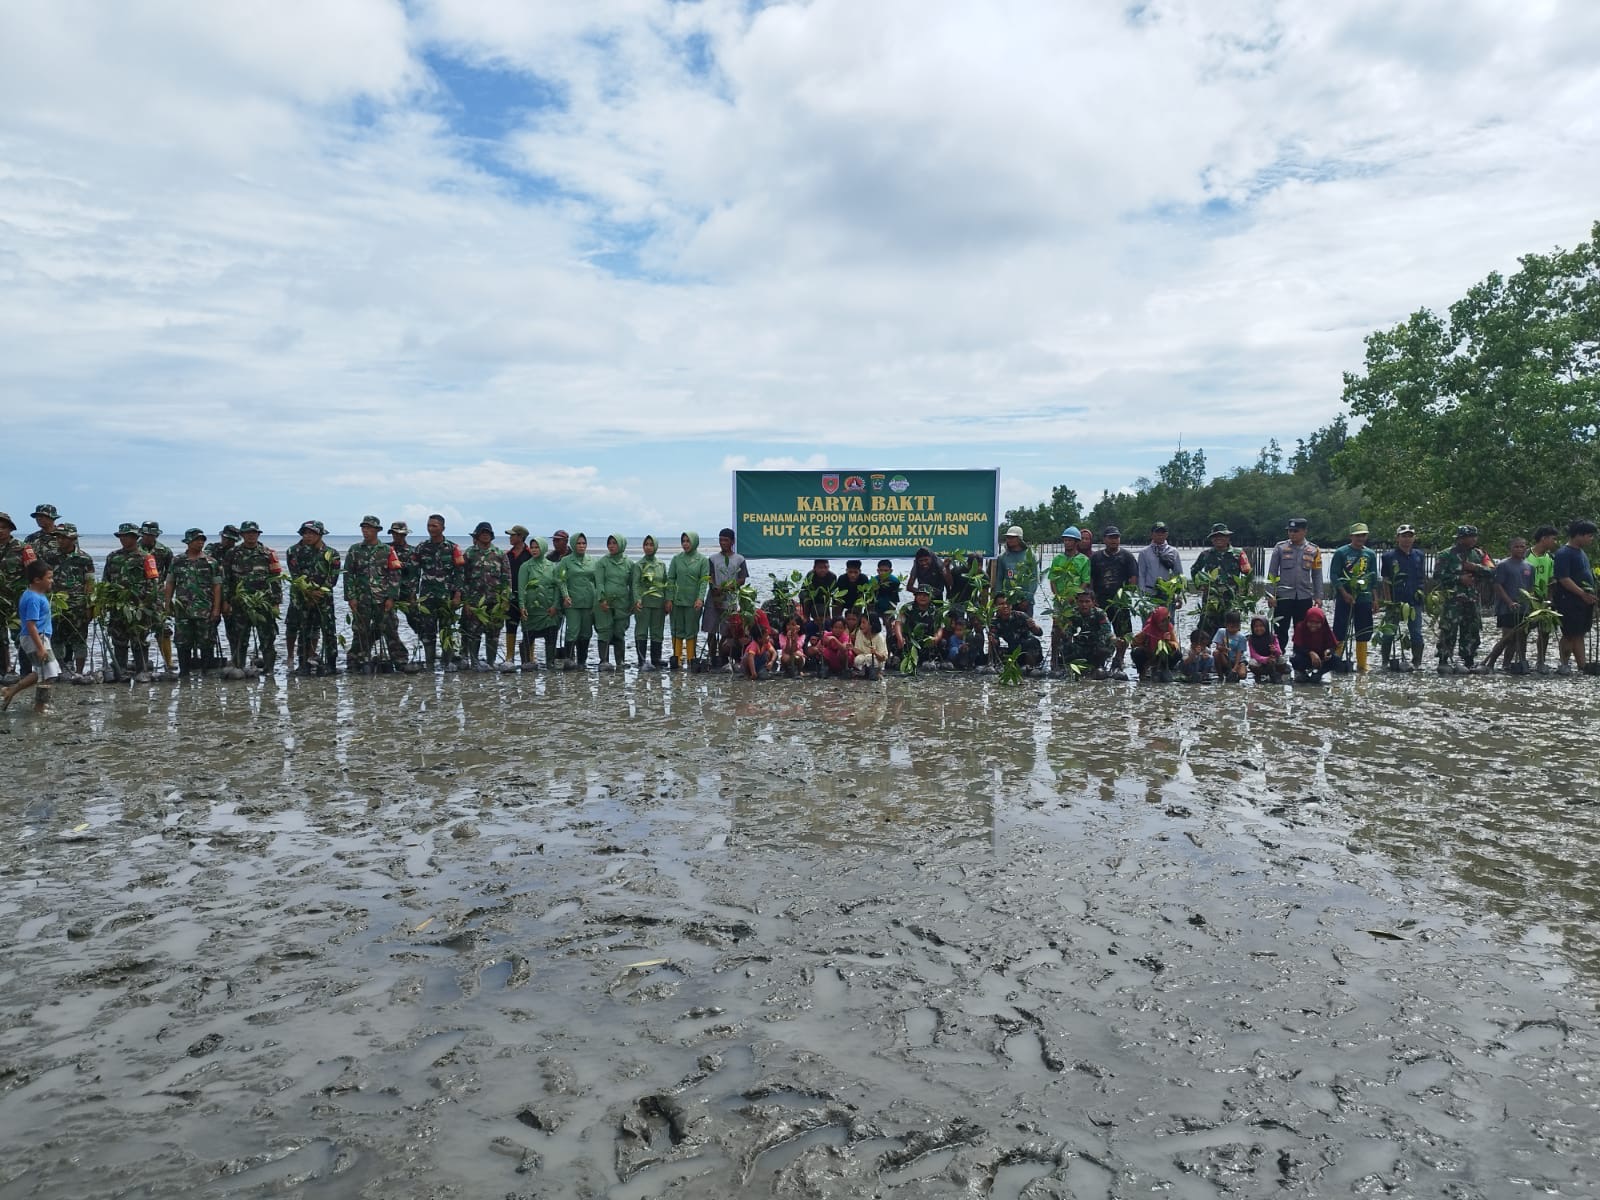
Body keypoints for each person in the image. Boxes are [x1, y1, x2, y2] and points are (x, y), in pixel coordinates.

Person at [344, 516, 408, 672]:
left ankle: (400, 660)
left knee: (390, 629)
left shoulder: (387, 550)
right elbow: (348, 575)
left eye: (369, 528)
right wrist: (351, 597)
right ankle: (357, 661)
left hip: (382, 599)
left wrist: (392, 597)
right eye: (364, 528)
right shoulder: (355, 550)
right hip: (362, 599)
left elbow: (395, 575)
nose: (366, 531)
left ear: (377, 530)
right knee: (360, 631)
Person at [101, 522, 161, 680]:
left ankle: (142, 670)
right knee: (118, 640)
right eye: (121, 536)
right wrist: (104, 602)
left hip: (140, 607)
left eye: (127, 536)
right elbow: (106, 581)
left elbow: (153, 584)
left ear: (135, 538)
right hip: (118, 607)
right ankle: (120, 671)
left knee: (139, 640)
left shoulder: (146, 558)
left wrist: (146, 604)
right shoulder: (113, 557)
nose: (123, 539)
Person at [1434, 525, 1495, 673]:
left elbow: (1492, 571)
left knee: (1472, 630)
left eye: (1475, 536)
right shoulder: (1446, 555)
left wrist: (1475, 567)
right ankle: (1444, 660)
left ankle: (1469, 660)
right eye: (1469, 536)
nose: (1473, 539)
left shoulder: (1479, 554)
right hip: (1452, 600)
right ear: (1460, 538)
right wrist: (1459, 578)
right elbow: (1438, 576)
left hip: (1472, 599)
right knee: (1448, 630)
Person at [224, 522, 283, 674]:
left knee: (267, 638)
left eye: (254, 533)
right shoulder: (232, 553)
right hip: (240, 603)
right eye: (247, 533)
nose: (251, 535)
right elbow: (227, 579)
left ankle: (269, 669)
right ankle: (239, 668)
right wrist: (226, 602)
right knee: (239, 638)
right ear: (242, 535)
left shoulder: (268, 553)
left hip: (263, 603)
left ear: (258, 534)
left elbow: (276, 579)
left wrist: (276, 603)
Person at [163, 529, 222, 676]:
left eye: (202, 539)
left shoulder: (211, 562)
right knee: (183, 642)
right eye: (197, 539)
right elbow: (170, 583)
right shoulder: (177, 561)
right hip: (183, 609)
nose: (200, 542)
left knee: (207, 641)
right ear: (188, 542)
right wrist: (167, 603)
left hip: (205, 609)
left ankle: (206, 671)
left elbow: (217, 586)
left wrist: (216, 609)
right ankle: (184, 672)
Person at [2, 562, 57, 715]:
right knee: (49, 673)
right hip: (36, 638)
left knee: (42, 672)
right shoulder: (33, 598)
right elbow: (31, 624)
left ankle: (11, 690)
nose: (52, 581)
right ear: (37, 580)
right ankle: (39, 708)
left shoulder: (37, 594)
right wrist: (40, 647)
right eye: (49, 578)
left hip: (38, 637)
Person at [287, 521, 340, 675]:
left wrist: (318, 593)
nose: (308, 536)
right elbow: (295, 576)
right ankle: (303, 663)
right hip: (302, 597)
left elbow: (333, 578)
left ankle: (331, 663)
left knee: (329, 631)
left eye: (312, 533)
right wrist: (309, 593)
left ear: (320, 534)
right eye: (305, 533)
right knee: (304, 630)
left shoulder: (332, 553)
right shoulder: (293, 551)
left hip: (324, 598)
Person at [413, 515, 465, 670]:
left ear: (442, 528)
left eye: (434, 526)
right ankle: (429, 664)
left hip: (446, 598)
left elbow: (460, 573)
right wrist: (412, 595)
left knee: (446, 630)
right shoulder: (421, 547)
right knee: (428, 632)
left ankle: (446, 663)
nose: (431, 529)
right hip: (427, 597)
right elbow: (414, 572)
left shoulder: (453, 548)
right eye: (429, 525)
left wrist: (457, 595)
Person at [1267, 518, 1323, 652]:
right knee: (1280, 629)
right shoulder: (1280, 548)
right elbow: (1272, 573)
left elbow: (1317, 575)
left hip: (1304, 596)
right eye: (1290, 531)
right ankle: (1279, 657)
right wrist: (1270, 595)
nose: (1292, 534)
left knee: (1302, 629)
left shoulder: (1314, 549)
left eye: (1295, 531)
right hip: (1283, 596)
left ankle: (1300, 657)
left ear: (1304, 531)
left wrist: (1318, 596)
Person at [1329, 523, 1379, 673]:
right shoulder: (1341, 552)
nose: (1360, 538)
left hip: (1364, 598)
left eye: (1363, 535)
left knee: (1364, 630)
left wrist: (1375, 599)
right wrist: (1344, 593)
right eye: (1357, 535)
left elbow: (1373, 578)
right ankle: (1336, 661)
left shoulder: (1370, 554)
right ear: (1351, 536)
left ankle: (1362, 663)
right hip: (1345, 597)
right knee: (1340, 629)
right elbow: (1334, 575)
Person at [1551, 518, 1597, 675]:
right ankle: (1566, 665)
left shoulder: (1581, 552)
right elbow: (1564, 579)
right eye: (1589, 536)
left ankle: (1581, 666)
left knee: (1579, 633)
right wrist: (1582, 593)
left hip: (1583, 599)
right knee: (1570, 633)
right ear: (1578, 535)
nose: (1591, 539)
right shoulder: (1564, 553)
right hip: (1569, 600)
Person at [1090, 526, 1139, 672]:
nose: (1114, 540)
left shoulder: (1127, 556)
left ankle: (1119, 660)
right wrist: (1093, 597)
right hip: (1101, 601)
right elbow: (1091, 578)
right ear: (1104, 539)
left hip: (1120, 601)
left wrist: (1127, 596)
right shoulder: (1096, 557)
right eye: (1111, 537)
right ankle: (1100, 661)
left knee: (1123, 632)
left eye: (1116, 537)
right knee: (1100, 632)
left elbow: (1133, 578)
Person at [1191, 524, 1253, 639]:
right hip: (1211, 598)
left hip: (1231, 598)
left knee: (1231, 628)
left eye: (1222, 536)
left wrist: (1246, 591)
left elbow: (1248, 574)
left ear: (1228, 537)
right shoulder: (1205, 555)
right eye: (1215, 536)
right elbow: (1194, 570)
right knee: (1206, 628)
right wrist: (1200, 585)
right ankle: (1206, 653)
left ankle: (1231, 654)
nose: (1218, 539)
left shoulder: (1238, 554)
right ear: (1211, 539)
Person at [1483, 537, 1534, 674]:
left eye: (1522, 546)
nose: (1519, 549)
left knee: (1521, 637)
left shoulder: (1529, 567)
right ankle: (1491, 662)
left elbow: (1530, 588)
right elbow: (1498, 585)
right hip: (1506, 607)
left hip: (1523, 608)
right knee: (1507, 637)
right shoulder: (1504, 565)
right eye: (1516, 547)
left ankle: (1508, 664)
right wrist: (1509, 602)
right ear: (1511, 548)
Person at [1379, 524, 1427, 671]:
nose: (1407, 539)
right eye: (1403, 536)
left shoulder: (1419, 555)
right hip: (1395, 601)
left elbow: (1421, 577)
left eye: (1409, 536)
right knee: (1388, 633)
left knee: (1416, 633)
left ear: (1414, 538)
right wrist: (1388, 601)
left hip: (1414, 601)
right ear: (1397, 538)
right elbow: (1386, 580)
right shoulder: (1388, 557)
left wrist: (1423, 595)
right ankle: (1385, 661)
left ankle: (1417, 662)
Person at [50, 524, 94, 676]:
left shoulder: (84, 558)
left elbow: (90, 584)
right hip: (55, 605)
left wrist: (90, 607)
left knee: (79, 639)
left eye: (64, 537)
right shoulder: (50, 557)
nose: (60, 540)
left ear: (73, 539)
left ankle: (79, 672)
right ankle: (61, 670)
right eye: (58, 537)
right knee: (56, 639)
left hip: (78, 606)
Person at [703, 528, 748, 666]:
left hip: (730, 599)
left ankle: (723, 658)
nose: (723, 543)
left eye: (726, 540)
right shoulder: (712, 559)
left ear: (732, 542)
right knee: (711, 629)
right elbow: (710, 577)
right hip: (713, 598)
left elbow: (742, 579)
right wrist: (715, 590)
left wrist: (728, 587)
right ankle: (712, 657)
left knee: (726, 630)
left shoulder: (739, 559)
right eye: (721, 540)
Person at [516, 537, 563, 669]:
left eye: (537, 547)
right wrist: (522, 606)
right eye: (532, 547)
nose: (534, 550)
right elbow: (521, 588)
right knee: (528, 637)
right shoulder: (526, 567)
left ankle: (550, 663)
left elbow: (557, 588)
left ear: (543, 548)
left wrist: (555, 606)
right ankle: (527, 663)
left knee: (551, 638)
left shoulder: (553, 566)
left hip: (548, 610)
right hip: (531, 611)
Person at [666, 532, 708, 670]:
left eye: (688, 541)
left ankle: (691, 659)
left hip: (693, 601)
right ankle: (677, 659)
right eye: (683, 541)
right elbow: (671, 579)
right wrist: (669, 599)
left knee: (691, 629)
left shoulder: (702, 560)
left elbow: (703, 582)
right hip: (677, 601)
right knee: (677, 629)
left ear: (695, 542)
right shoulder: (676, 559)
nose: (685, 544)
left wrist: (700, 598)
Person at [593, 534, 635, 672]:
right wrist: (602, 599)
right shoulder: (602, 562)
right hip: (604, 604)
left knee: (619, 631)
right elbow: (599, 583)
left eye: (614, 543)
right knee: (605, 630)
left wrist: (633, 602)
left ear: (622, 545)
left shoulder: (629, 563)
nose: (611, 546)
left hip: (622, 603)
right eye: (609, 543)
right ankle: (603, 661)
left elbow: (632, 585)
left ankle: (620, 661)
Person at [139, 521, 176, 673]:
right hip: (138, 597)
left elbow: (171, 574)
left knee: (163, 629)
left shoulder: (164, 551)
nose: (149, 537)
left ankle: (168, 662)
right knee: (140, 630)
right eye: (147, 534)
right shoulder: (135, 550)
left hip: (158, 597)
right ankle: (141, 662)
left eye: (152, 535)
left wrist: (167, 596)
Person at [558, 532, 599, 669]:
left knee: (586, 632)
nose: (581, 546)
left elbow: (597, 581)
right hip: (572, 602)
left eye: (583, 543)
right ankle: (569, 660)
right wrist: (565, 596)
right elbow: (561, 580)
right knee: (573, 630)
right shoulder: (566, 561)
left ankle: (582, 661)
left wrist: (598, 599)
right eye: (578, 543)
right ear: (573, 545)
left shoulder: (593, 561)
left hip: (588, 602)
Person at [0, 513, 34, 679]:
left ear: (10, 529)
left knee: (21, 637)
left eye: (3, 527)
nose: (0, 531)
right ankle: (4, 671)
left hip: (17, 601)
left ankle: (26, 673)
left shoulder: (23, 548)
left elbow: (34, 573)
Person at [202, 524, 241, 667]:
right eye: (226, 538)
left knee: (234, 630)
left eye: (231, 540)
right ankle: (209, 660)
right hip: (212, 595)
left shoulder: (238, 552)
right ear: (222, 536)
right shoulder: (212, 549)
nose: (228, 542)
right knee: (209, 630)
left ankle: (236, 658)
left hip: (232, 595)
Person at [1526, 525, 1560, 673]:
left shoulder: (1550, 558)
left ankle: (1541, 661)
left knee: (1545, 631)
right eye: (1553, 539)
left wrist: (1549, 598)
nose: (1555, 542)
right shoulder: (1526, 555)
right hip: (1527, 599)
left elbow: (1552, 579)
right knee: (1523, 631)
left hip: (1544, 599)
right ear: (1544, 538)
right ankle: (1520, 659)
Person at [1059, 587, 1114, 678]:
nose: (1084, 604)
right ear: (1077, 602)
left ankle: (1099, 666)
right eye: (1081, 601)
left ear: (1093, 602)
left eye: (1087, 601)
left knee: (1109, 644)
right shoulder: (1072, 614)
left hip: (1095, 646)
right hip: (1079, 647)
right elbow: (1067, 634)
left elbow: (1107, 632)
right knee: (1063, 645)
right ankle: (1068, 666)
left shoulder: (1099, 614)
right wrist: (1061, 630)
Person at [632, 534, 668, 670]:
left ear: (656, 546)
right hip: (643, 603)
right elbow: (635, 584)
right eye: (646, 544)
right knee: (641, 631)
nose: (648, 547)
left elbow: (666, 583)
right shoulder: (639, 565)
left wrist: (667, 600)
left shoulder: (661, 565)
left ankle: (656, 659)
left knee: (657, 631)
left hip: (658, 603)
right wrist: (637, 600)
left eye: (651, 544)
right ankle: (642, 660)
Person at [991, 525, 1040, 614]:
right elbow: (999, 578)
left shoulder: (1030, 555)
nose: (1009, 540)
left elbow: (1034, 578)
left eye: (1012, 537)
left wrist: (1028, 598)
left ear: (1019, 539)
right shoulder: (1003, 557)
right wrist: (998, 598)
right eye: (1008, 537)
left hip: (1025, 600)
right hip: (1009, 600)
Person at [388, 520, 422, 649]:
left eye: (400, 534)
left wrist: (413, 594)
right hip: (388, 593)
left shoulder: (413, 552)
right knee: (388, 624)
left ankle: (429, 649)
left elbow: (415, 574)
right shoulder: (386, 549)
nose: (397, 536)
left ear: (405, 535)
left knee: (417, 622)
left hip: (407, 593)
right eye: (395, 533)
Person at [504, 525, 534, 664]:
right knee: (510, 625)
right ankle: (509, 656)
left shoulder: (530, 555)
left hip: (527, 597)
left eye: (513, 535)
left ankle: (530, 656)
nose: (510, 538)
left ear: (520, 537)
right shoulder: (507, 555)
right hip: (510, 597)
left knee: (528, 627)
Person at [988, 595, 1043, 671]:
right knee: (996, 649)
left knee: (1032, 641)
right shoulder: (995, 622)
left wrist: (1033, 626)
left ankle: (1031, 668)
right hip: (1013, 651)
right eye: (1001, 604)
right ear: (995, 606)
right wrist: (993, 640)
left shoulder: (1021, 615)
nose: (1005, 606)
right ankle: (993, 665)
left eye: (1008, 603)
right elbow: (995, 641)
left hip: (1028, 650)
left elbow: (1039, 633)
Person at [896, 587, 945, 667]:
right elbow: (898, 623)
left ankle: (934, 660)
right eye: (920, 595)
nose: (922, 597)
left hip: (927, 640)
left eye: (925, 595)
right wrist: (900, 638)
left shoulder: (936, 610)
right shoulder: (907, 608)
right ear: (915, 596)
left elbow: (940, 628)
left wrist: (936, 638)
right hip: (910, 639)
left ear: (930, 597)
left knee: (942, 642)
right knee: (893, 638)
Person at [1130, 605, 1180, 681]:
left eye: (1167, 620)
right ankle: (1142, 672)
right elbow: (1134, 643)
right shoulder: (1148, 629)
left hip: (1163, 656)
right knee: (1136, 652)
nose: (1165, 623)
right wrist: (1145, 649)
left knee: (1178, 654)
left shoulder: (1169, 628)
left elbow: (1176, 644)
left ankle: (1163, 668)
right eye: (1162, 621)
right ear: (1156, 621)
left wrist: (1168, 642)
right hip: (1149, 655)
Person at [1291, 607, 1339, 681]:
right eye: (1311, 622)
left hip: (1322, 659)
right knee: (1295, 659)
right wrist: (1310, 653)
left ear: (1322, 622)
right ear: (1306, 620)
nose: (1313, 625)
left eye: (1317, 623)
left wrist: (1328, 651)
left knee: (1335, 659)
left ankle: (1319, 673)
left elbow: (1333, 645)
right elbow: (1297, 648)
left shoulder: (1325, 629)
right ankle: (1301, 673)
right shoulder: (1300, 627)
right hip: (1305, 657)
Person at [1137, 521, 1182, 597]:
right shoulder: (1144, 552)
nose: (1160, 535)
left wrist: (1179, 595)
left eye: (1163, 532)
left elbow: (1179, 574)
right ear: (1151, 534)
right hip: (1150, 592)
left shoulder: (1174, 551)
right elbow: (1141, 574)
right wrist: (1142, 594)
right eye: (1157, 532)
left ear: (1166, 534)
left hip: (1168, 592)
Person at [1246, 615, 1288, 684]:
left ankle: (1276, 673)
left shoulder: (1272, 637)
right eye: (1256, 626)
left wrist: (1274, 650)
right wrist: (1266, 659)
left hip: (1273, 661)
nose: (1259, 628)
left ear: (1266, 626)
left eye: (1261, 626)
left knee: (1282, 660)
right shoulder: (1251, 639)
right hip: (1260, 661)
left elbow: (1279, 652)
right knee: (1252, 663)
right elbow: (1253, 655)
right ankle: (1259, 675)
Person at [1211, 611, 1249, 682]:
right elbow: (1217, 646)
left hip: (1238, 660)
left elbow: (1239, 653)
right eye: (1232, 626)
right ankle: (1221, 676)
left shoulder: (1241, 637)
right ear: (1226, 625)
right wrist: (1223, 648)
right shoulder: (1221, 632)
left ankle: (1236, 672)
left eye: (1236, 626)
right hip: (1225, 658)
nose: (1234, 629)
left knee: (1242, 674)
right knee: (1216, 653)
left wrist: (1235, 668)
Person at [853, 613, 888, 679]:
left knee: (870, 658)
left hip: (876, 662)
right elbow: (859, 651)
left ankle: (877, 673)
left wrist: (875, 652)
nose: (861, 625)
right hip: (864, 660)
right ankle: (863, 673)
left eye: (864, 623)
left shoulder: (879, 637)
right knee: (858, 659)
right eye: (861, 623)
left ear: (871, 625)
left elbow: (883, 658)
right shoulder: (859, 633)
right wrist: (852, 648)